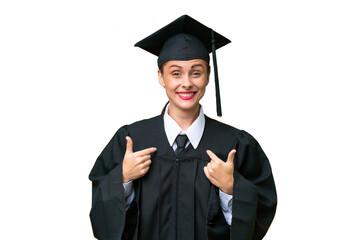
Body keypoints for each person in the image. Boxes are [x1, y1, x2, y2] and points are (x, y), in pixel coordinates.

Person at [89, 15, 277, 240]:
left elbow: (259, 217)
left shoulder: (235, 145)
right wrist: (123, 179)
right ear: (161, 77)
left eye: (196, 72)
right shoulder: (132, 140)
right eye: (175, 73)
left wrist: (231, 189)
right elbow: (104, 220)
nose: (186, 83)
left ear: (208, 75)